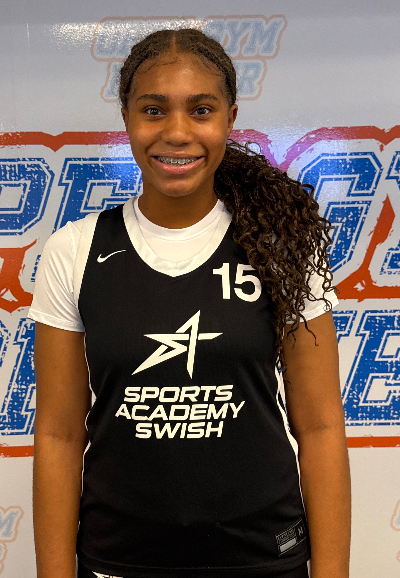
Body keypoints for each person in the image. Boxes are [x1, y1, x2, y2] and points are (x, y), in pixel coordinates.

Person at [30, 28, 351, 578]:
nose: (177, 132)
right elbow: (59, 434)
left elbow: (320, 425)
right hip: (119, 560)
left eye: (200, 110)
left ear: (229, 118)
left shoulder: (282, 248)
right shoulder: (74, 250)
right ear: (127, 118)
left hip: (263, 558)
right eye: (154, 110)